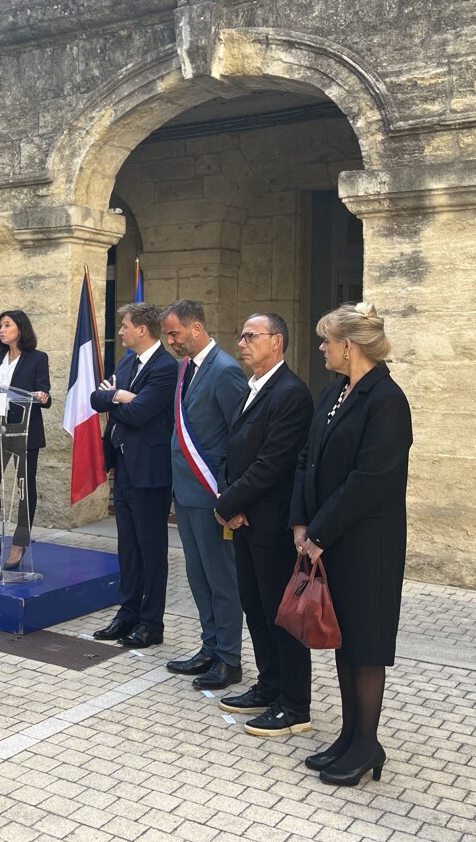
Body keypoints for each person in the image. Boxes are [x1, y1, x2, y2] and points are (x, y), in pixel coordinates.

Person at [292, 302, 412, 786]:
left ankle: (367, 746)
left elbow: (371, 480)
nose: (321, 348)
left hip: (368, 543)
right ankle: (349, 736)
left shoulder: (387, 400)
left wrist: (320, 532)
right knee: (344, 642)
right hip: (330, 537)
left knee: (366, 645)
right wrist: (302, 522)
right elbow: (308, 459)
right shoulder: (335, 390)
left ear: (350, 345)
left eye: (327, 341)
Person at [213, 313, 314, 737]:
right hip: (244, 520)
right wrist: (229, 503)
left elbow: (272, 463)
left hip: (271, 523)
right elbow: (232, 451)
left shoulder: (291, 393)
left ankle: (294, 705)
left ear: (278, 342)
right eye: (241, 335)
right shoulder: (252, 388)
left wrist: (226, 502)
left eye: (251, 336)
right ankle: (269, 685)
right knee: (255, 606)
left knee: (280, 615)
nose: (242, 342)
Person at [160, 299, 249, 689]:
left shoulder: (226, 371)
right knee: (198, 577)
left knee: (221, 580)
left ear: (197, 328)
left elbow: (240, 438)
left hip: (213, 497)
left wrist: (230, 497)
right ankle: (210, 647)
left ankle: (229, 659)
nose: (170, 341)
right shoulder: (186, 369)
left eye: (175, 334)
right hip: (187, 493)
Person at [89, 302, 177, 648]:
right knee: (127, 545)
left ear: (142, 329)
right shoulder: (127, 362)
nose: (120, 331)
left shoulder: (166, 367)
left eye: (124, 326)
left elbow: (140, 413)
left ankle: (151, 622)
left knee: (150, 548)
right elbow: (97, 399)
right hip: (123, 466)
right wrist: (120, 396)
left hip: (151, 471)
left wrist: (121, 400)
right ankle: (126, 614)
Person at [0, 309, 51, 571]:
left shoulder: (38, 358)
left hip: (25, 431)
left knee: (24, 492)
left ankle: (19, 544)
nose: (1, 330)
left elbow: (44, 393)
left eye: (7, 325)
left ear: (21, 328)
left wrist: (42, 396)